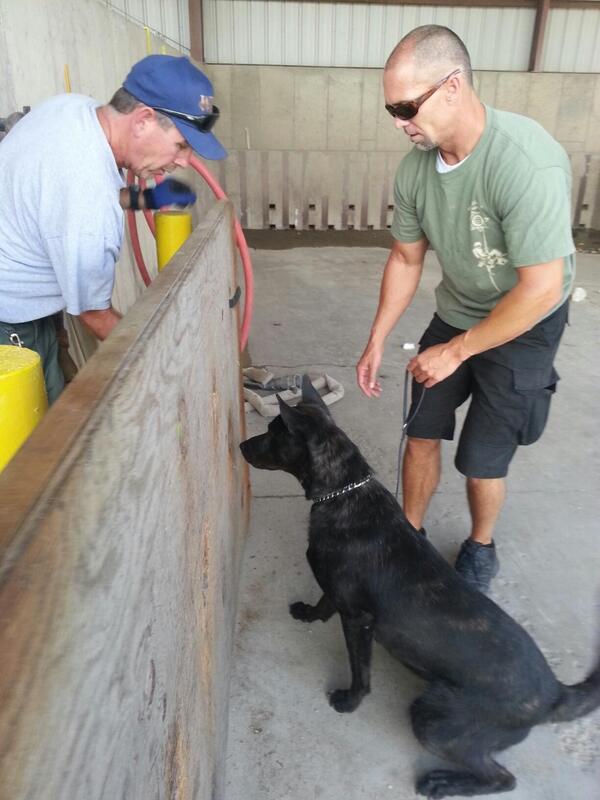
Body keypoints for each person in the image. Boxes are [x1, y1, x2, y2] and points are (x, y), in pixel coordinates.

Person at [356, 25, 574, 593]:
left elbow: (541, 289)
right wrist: (378, 337)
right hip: (457, 309)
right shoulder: (415, 171)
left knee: (482, 458)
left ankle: (481, 545)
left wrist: (456, 352)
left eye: (406, 107)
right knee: (421, 428)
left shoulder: (526, 161)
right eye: (391, 110)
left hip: (526, 322)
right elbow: (406, 258)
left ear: (452, 86)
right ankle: (410, 535)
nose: (399, 122)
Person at [0, 54, 226, 404]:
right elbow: (94, 315)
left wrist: (141, 199)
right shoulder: (88, 201)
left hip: (26, 300)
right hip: (10, 321)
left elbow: (62, 197)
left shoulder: (73, 109)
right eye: (181, 145)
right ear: (143, 120)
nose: (183, 161)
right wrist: (161, 365)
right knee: (32, 430)